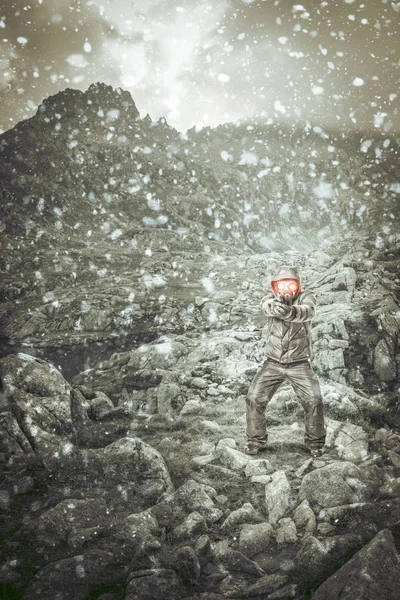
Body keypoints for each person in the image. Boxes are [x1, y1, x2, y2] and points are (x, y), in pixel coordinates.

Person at [245, 265, 326, 457]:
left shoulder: (307, 296)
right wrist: (275, 307)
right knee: (254, 398)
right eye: (282, 285)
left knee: (314, 399)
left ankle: (315, 444)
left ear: (297, 285)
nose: (286, 289)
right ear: (275, 286)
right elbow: (266, 307)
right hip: (272, 362)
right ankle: (255, 442)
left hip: (300, 363)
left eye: (291, 285)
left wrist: (290, 311)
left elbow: (308, 311)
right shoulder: (269, 297)